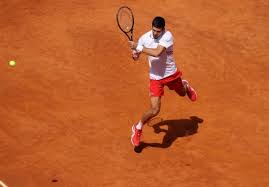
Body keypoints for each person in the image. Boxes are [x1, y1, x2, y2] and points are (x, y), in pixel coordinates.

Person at [128, 16, 197, 147]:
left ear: (163, 29)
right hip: (155, 78)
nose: (155, 33)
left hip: (171, 74)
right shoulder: (144, 38)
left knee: (182, 93)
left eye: (158, 31)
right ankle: (137, 128)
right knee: (155, 110)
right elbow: (136, 56)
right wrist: (135, 55)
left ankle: (185, 86)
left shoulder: (168, 36)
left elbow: (157, 53)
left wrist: (138, 47)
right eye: (154, 30)